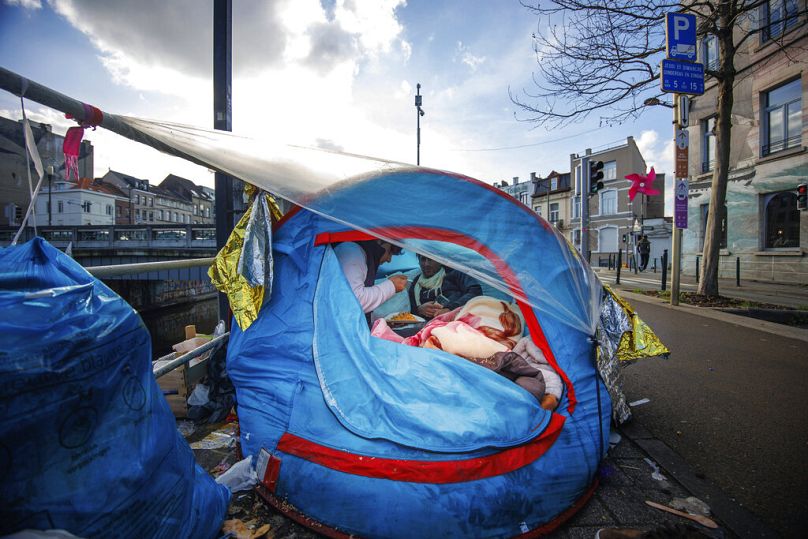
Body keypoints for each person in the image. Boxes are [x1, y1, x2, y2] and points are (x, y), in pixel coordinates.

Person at [335, 240, 408, 315]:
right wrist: (391, 286)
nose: (389, 259)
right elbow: (354, 301)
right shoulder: (352, 253)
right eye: (390, 251)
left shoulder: (363, 253)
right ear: (379, 241)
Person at [408, 254, 483, 319]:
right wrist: (419, 310)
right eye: (423, 259)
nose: (426, 264)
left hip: (457, 318)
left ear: (440, 260)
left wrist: (450, 309)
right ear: (419, 262)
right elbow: (410, 309)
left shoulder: (455, 273)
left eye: (430, 259)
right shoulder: (417, 282)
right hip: (427, 323)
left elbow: (475, 292)